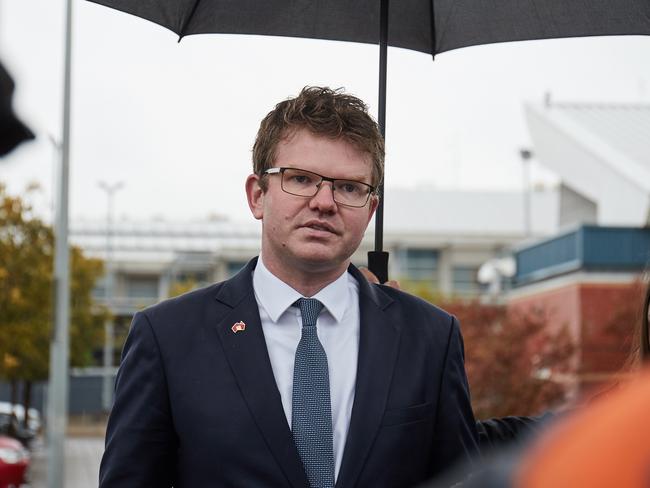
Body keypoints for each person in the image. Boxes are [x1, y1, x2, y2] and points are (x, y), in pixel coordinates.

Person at [99, 86, 478, 488]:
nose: (325, 202)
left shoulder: (431, 338)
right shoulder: (167, 338)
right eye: (301, 179)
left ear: (370, 210)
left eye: (349, 187)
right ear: (257, 195)